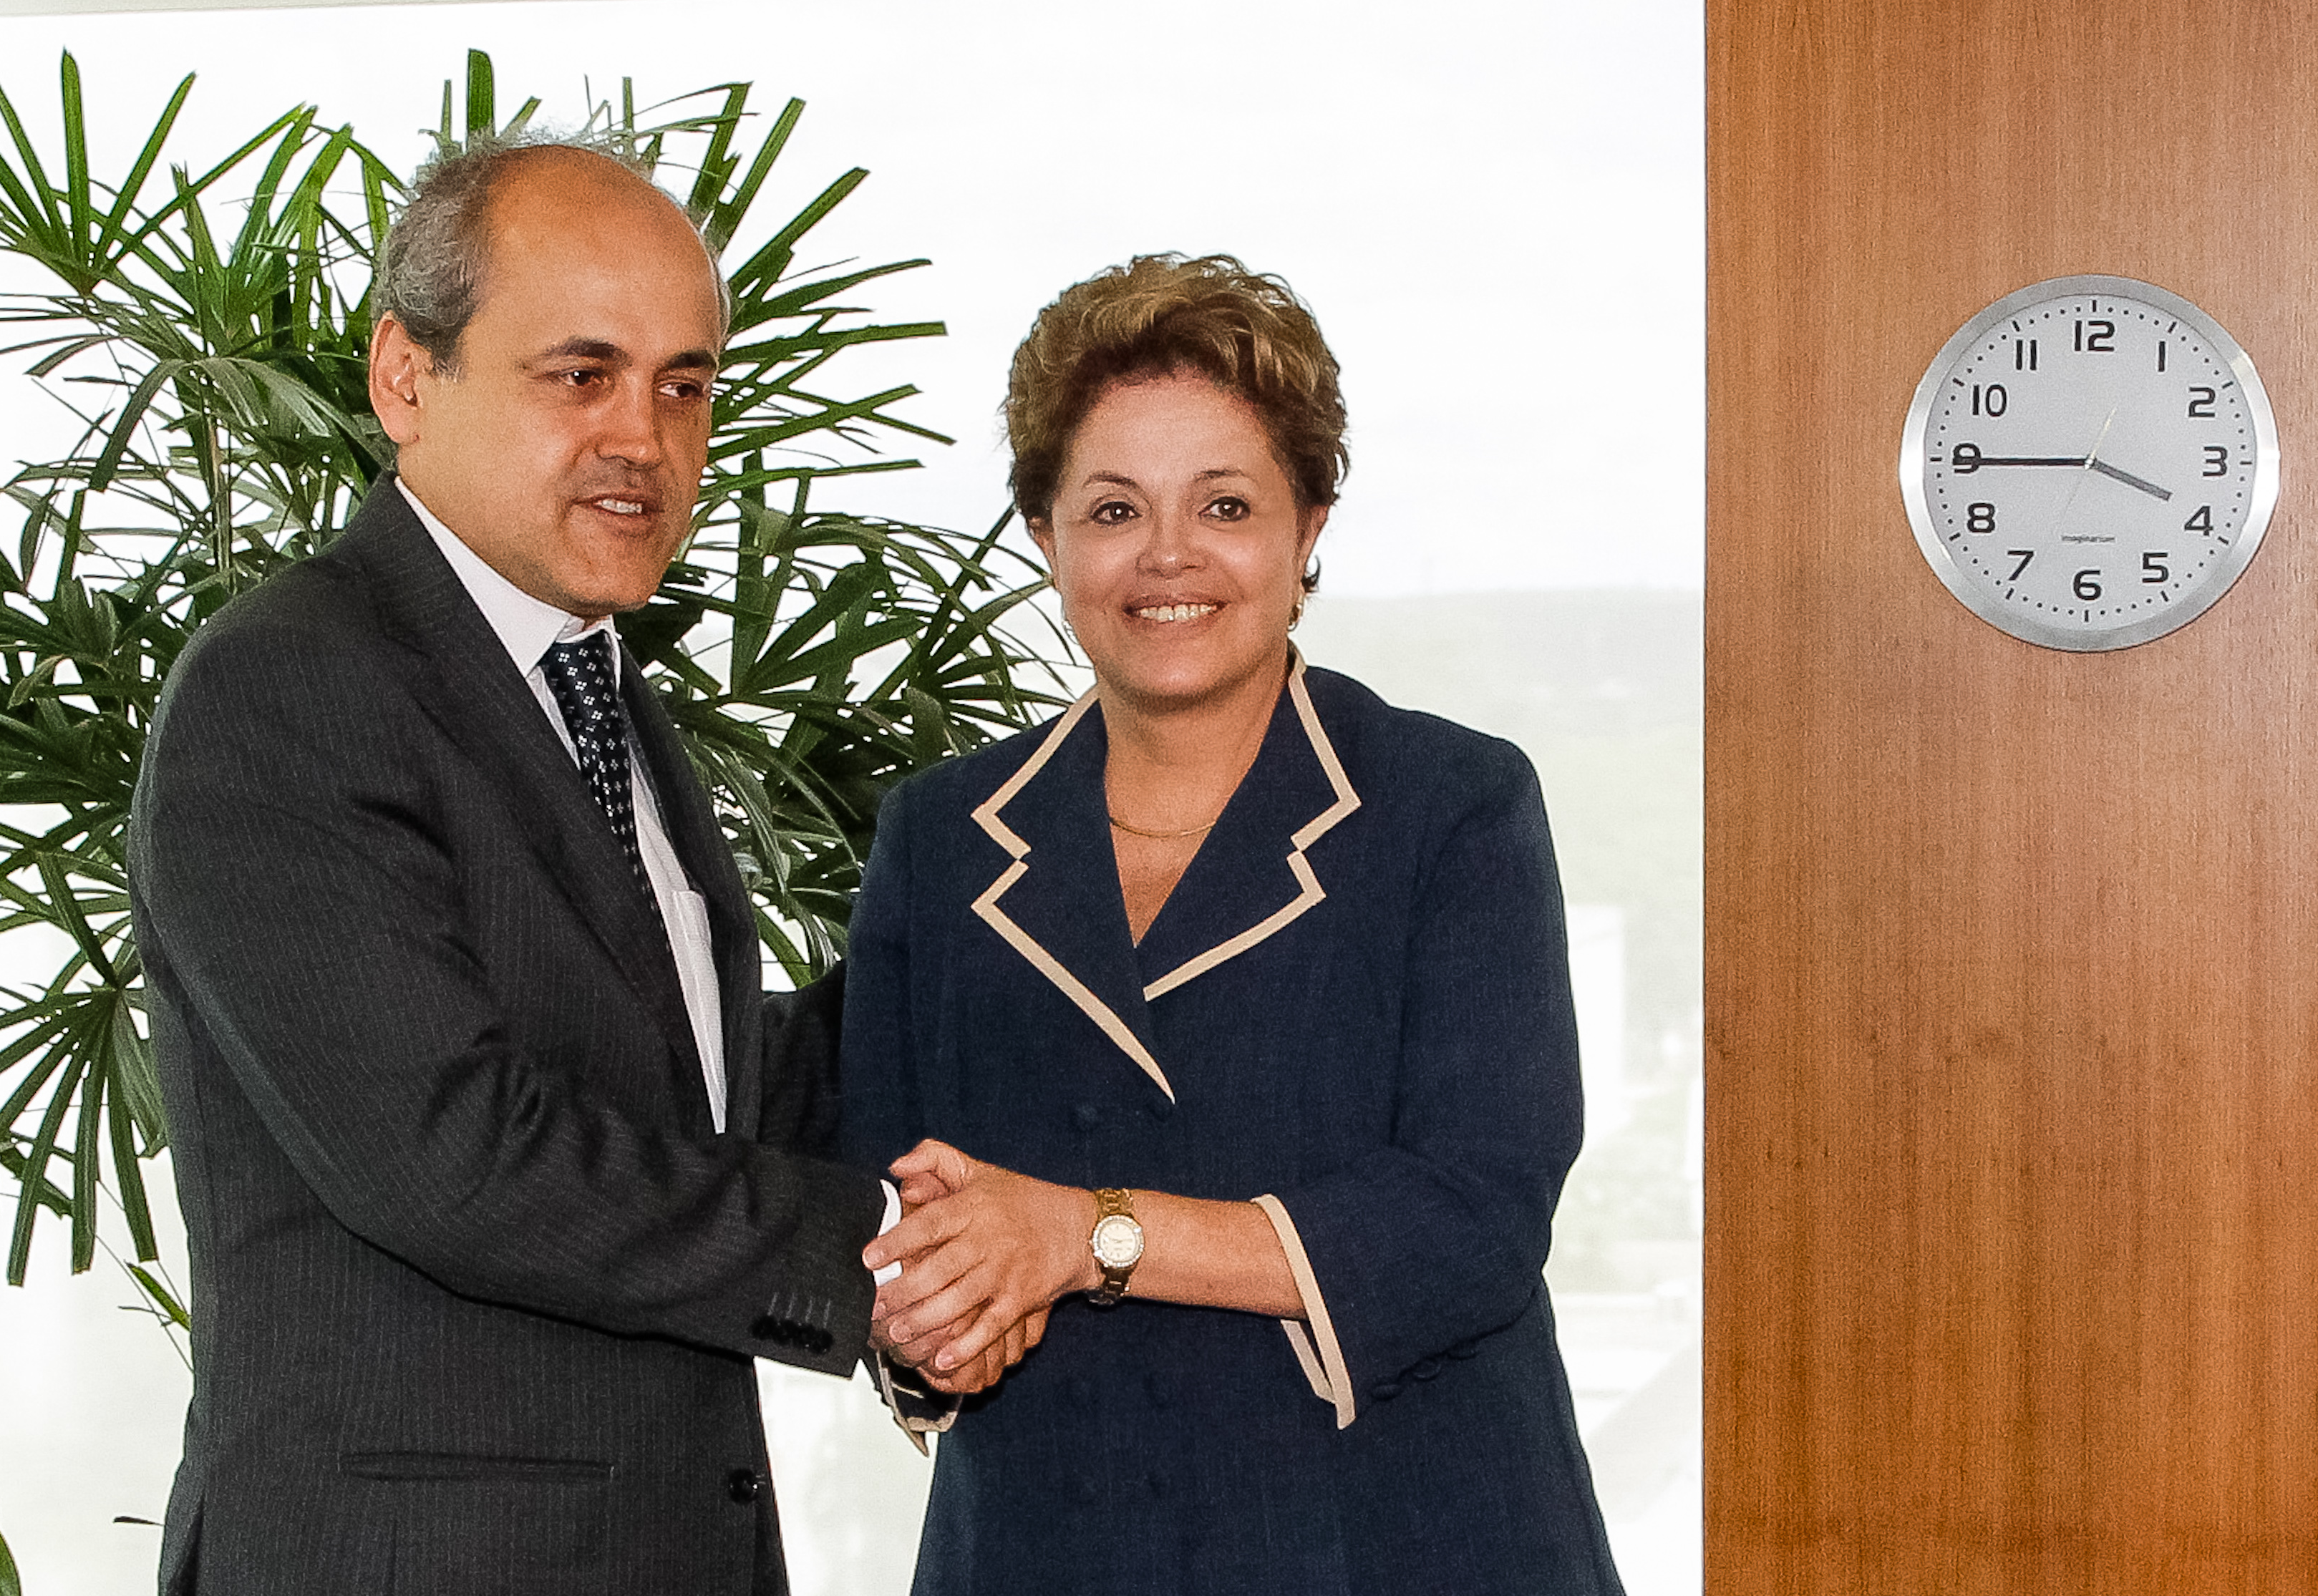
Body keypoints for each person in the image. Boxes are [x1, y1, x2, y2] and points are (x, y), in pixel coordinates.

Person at [131, 139, 901, 1594]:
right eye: (580, 373)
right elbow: (455, 1153)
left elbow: (687, 1097)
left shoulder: (588, 682)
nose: (646, 436)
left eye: (686, 383)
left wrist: (994, 967)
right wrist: (884, 1243)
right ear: (405, 378)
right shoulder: (288, 689)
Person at [843, 254, 1626, 1593]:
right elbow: (888, 1192)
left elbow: (1474, 1215)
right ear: (1045, 533)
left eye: (1223, 503)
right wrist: (933, 1330)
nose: (1166, 558)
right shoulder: (938, 835)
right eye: (1110, 508)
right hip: (1050, 1538)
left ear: (1308, 523)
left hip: (1396, 1539)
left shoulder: (1452, 805)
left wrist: (1086, 1233)